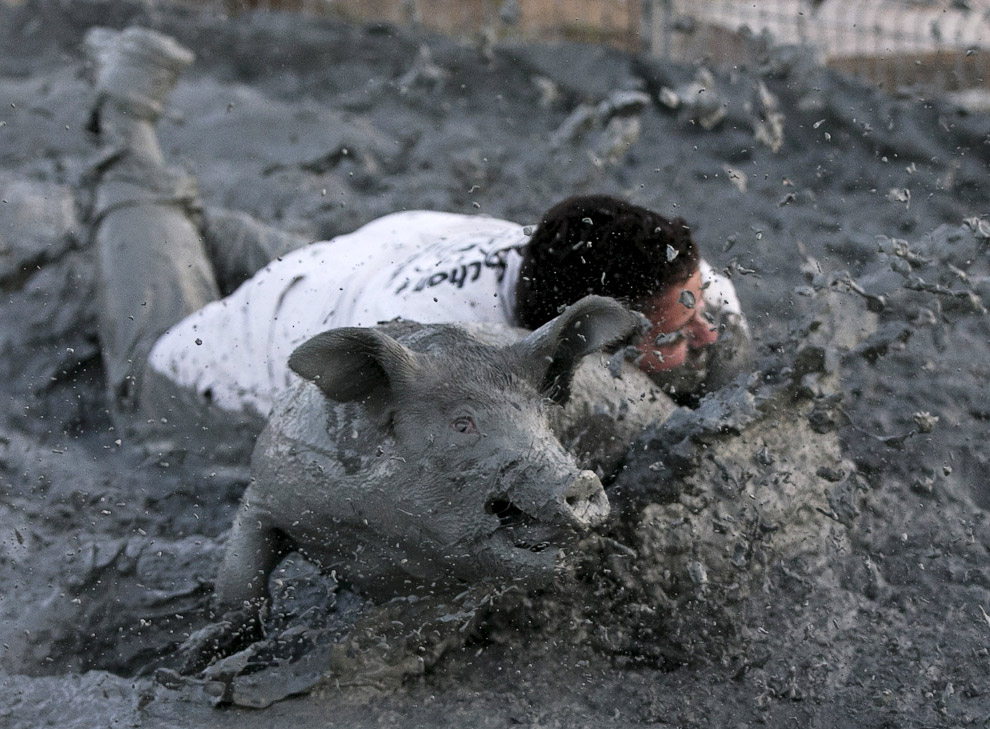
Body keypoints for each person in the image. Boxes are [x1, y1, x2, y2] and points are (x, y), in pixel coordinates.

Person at [85, 28, 750, 457]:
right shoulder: (452, 368)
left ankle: (187, 215)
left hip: (356, 262)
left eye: (694, 311)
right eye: (676, 335)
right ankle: (123, 117)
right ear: (576, 333)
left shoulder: (641, 259)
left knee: (219, 239)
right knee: (144, 326)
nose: (706, 334)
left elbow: (715, 321)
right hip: (224, 353)